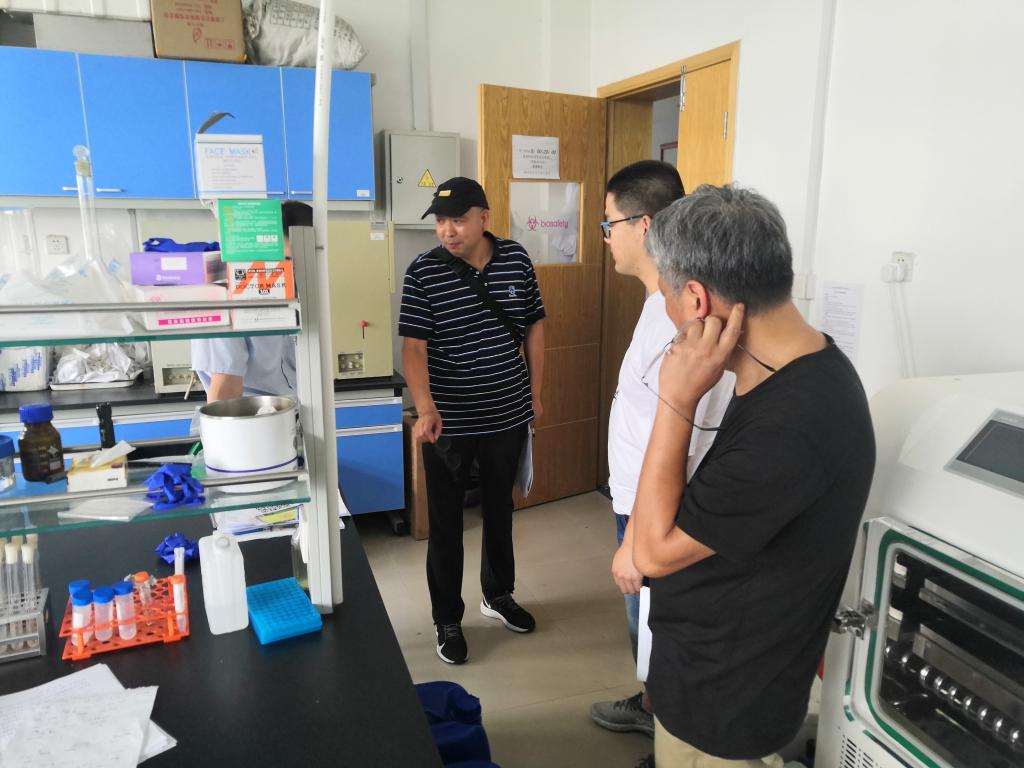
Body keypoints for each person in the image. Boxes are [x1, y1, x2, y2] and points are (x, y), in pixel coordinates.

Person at [631, 185, 875, 767]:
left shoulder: (795, 423)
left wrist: (676, 398)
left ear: (696, 299)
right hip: (711, 667)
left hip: (724, 703)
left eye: (666, 295)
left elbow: (653, 553)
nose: (668, 313)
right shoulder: (800, 370)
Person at [590, 161, 734, 740]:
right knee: (650, 628)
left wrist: (639, 539)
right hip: (636, 500)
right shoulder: (659, 303)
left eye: (609, 224)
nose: (606, 237)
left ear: (644, 225)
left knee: (659, 628)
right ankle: (655, 706)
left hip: (656, 510)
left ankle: (669, 728)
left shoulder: (682, 314)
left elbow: (687, 433)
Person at [399, 177, 546, 665]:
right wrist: (425, 407)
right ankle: (447, 618)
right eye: (441, 221)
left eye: (458, 220)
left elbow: (534, 326)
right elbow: (414, 348)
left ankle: (498, 595)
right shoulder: (423, 272)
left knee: (500, 509)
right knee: (446, 523)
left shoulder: (517, 260)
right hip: (449, 423)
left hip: (507, 412)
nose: (448, 230)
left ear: (484, 217)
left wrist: (536, 394)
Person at [190, 200, 312, 401]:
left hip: (300, 407)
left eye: (305, 261)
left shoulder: (306, 290)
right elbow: (225, 390)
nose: (292, 272)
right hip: (250, 413)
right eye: (287, 261)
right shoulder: (224, 299)